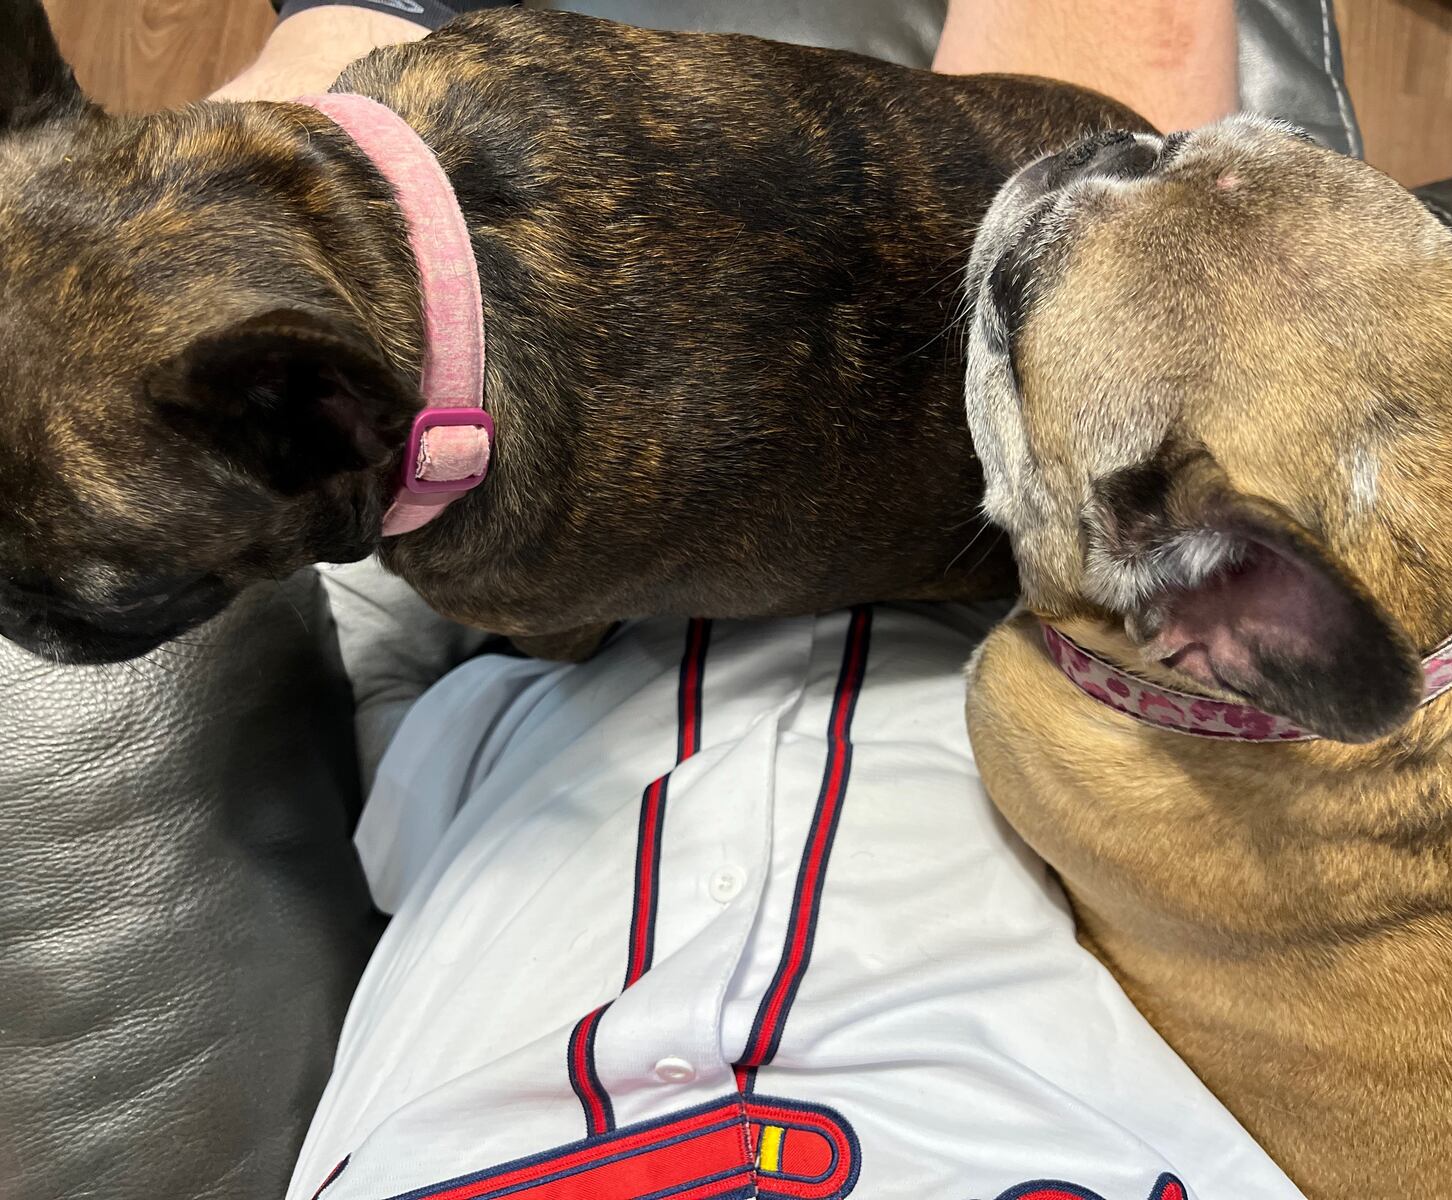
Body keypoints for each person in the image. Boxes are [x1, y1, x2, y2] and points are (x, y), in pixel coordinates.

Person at [216, 4, 1291, 1198]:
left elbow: (387, 699)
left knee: (288, 145)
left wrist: (386, 524)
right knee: (1116, 114)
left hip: (561, 608)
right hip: (1047, 603)